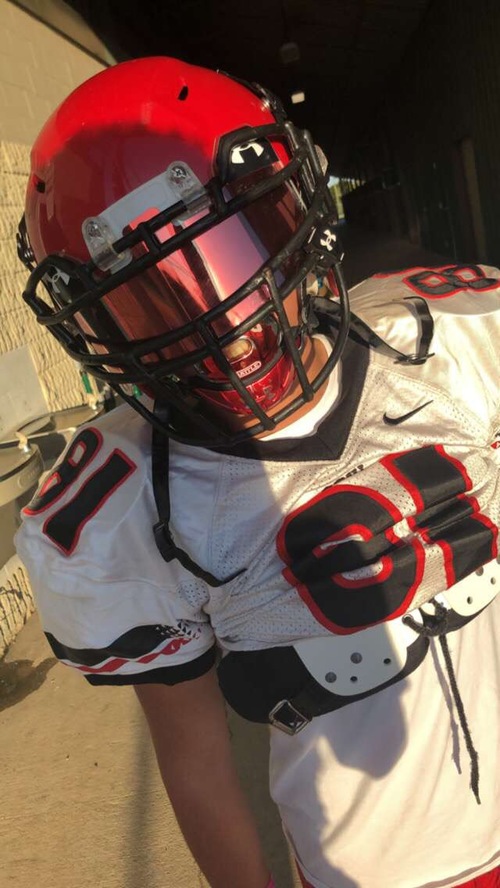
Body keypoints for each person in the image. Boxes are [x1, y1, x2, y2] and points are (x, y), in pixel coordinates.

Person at [14, 56, 500, 888]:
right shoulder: (129, 501)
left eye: (230, 250)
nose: (223, 323)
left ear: (296, 212)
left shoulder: (452, 342)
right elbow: (195, 759)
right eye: (150, 297)